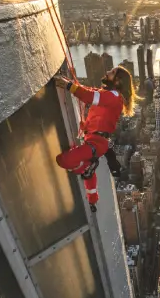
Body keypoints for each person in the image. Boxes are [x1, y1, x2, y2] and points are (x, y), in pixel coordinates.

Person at [54, 65, 137, 211]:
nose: (107, 72)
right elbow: (88, 91)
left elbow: (89, 96)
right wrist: (69, 82)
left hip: (97, 143)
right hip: (93, 140)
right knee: (88, 175)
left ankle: (86, 166)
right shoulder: (108, 93)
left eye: (111, 72)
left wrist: (69, 86)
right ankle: (93, 199)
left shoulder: (114, 97)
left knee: (64, 160)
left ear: (117, 81)